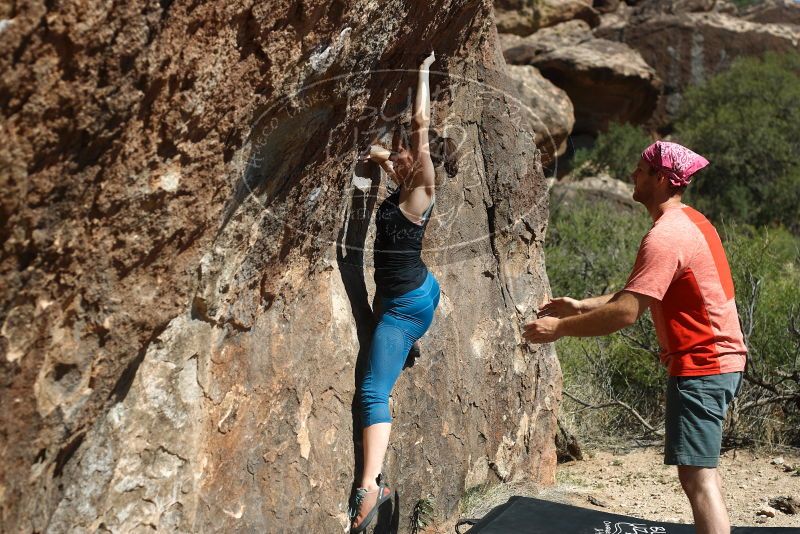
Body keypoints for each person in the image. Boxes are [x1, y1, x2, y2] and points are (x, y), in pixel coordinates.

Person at [524, 141, 747, 534]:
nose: (632, 175)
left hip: (703, 365)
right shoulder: (691, 222)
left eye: (640, 170)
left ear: (661, 179)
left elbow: (627, 313)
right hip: (714, 362)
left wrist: (558, 329)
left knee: (698, 479)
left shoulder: (665, 237)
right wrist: (580, 306)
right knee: (701, 475)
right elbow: (640, 293)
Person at [349, 51, 457, 533]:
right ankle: (410, 340)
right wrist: (382, 154)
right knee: (384, 311)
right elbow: (377, 153)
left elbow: (419, 122)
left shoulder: (422, 188)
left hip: (407, 307)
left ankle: (370, 485)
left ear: (422, 160)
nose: (393, 159)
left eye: (402, 154)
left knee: (373, 391)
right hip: (422, 289)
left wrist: (422, 70)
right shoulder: (403, 180)